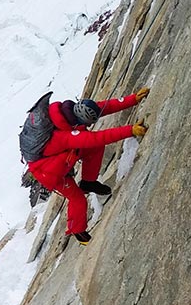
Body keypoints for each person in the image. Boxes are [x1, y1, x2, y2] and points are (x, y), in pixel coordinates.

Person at [28, 87, 150, 244]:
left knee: (95, 149)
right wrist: (130, 130)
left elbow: (100, 108)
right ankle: (77, 231)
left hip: (57, 157)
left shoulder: (64, 113)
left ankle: (88, 182)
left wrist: (133, 99)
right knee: (77, 198)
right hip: (50, 172)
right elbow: (97, 138)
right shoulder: (64, 136)